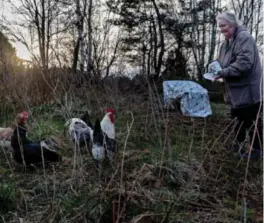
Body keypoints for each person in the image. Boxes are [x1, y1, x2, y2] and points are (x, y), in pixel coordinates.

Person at [209, 11, 263, 159]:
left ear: (233, 24)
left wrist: (224, 72)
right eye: (219, 27)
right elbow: (220, 62)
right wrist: (214, 68)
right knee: (238, 116)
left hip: (248, 88)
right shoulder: (226, 43)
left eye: (223, 25)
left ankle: (257, 151)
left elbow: (244, 63)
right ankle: (237, 144)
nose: (221, 29)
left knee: (251, 118)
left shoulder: (244, 38)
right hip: (235, 90)